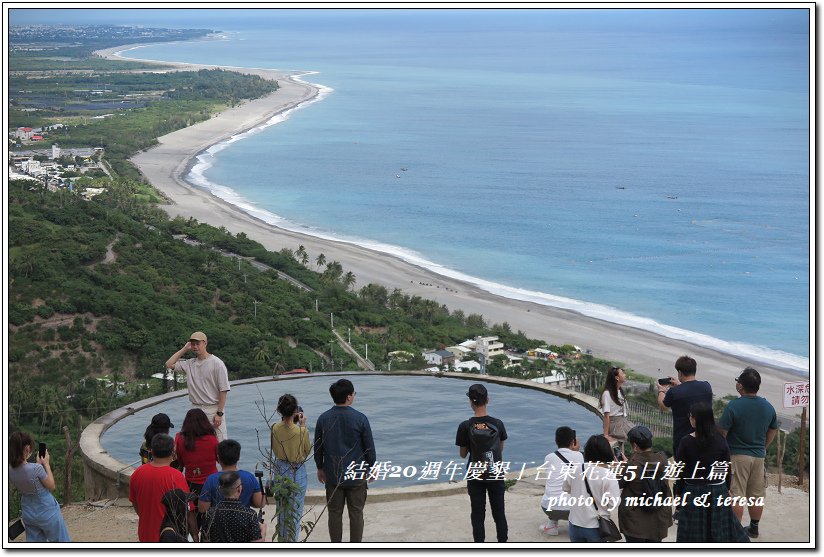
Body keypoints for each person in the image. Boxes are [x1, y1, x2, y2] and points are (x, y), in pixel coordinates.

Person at [718, 367, 780, 539]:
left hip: (737, 456)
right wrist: (764, 447)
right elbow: (773, 429)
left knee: (736, 494)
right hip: (759, 456)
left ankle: (734, 531)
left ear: (740, 386)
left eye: (738, 381)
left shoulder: (734, 406)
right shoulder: (768, 406)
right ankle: (753, 528)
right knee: (756, 495)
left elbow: (722, 432)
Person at [675, 402, 749, 543]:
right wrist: (726, 489)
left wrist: (679, 494)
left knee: (693, 533)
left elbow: (681, 472)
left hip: (692, 491)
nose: (689, 419)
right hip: (717, 490)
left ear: (695, 418)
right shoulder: (720, 440)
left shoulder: (686, 442)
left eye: (690, 416)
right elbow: (726, 468)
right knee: (718, 529)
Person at [314, 378, 376, 543]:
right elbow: (369, 448)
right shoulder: (360, 418)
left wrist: (320, 467)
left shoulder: (323, 419)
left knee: (334, 513)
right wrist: (372, 466)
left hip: (333, 475)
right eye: (353, 394)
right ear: (349, 396)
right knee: (356, 513)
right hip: (356, 476)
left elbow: (318, 447)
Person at [456, 383, 508, 543]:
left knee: (478, 514)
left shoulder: (465, 426)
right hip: (495, 473)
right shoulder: (498, 424)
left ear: (471, 402)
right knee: (499, 513)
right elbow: (500, 449)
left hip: (475, 475)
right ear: (488, 400)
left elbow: (463, 455)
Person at [166, 331, 230, 441]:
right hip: (195, 409)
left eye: (197, 343)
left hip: (212, 409)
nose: (195, 347)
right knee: (196, 443)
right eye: (193, 344)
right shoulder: (190, 363)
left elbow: (223, 390)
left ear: (205, 343)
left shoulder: (217, 364)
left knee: (220, 442)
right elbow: (169, 364)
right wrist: (185, 348)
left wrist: (219, 413)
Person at [8, 431, 71, 542]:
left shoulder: (10, 469)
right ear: (27, 448)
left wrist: (38, 464)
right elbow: (51, 486)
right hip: (46, 510)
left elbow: (29, 477)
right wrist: (46, 464)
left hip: (28, 512)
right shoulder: (36, 469)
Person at [129, 433, 191, 542]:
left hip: (145, 533)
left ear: (152, 451)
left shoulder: (137, 473)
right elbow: (186, 509)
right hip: (170, 536)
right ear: (173, 452)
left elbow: (135, 503)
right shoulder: (176, 476)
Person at [617, 425, 673, 542]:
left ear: (635, 446)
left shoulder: (632, 465)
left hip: (635, 523)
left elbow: (619, 483)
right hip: (658, 520)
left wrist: (622, 466)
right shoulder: (663, 460)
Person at [563, 434, 621, 543]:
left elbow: (566, 488)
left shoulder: (575, 469)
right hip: (596, 527)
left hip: (575, 524)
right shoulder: (608, 475)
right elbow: (613, 503)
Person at [270, 394, 311, 542]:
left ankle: (282, 542)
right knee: (294, 512)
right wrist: (303, 426)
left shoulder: (274, 427)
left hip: (280, 468)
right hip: (296, 469)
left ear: (279, 411)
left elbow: (274, 448)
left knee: (281, 510)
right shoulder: (302, 431)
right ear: (295, 411)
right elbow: (306, 452)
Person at [174, 408, 219, 541]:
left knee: (192, 518)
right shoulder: (212, 439)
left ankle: (194, 539)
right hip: (211, 484)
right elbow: (218, 458)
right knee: (210, 520)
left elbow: (180, 462)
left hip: (190, 485)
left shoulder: (180, 440)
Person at [657, 355, 713, 454]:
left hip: (682, 439)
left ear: (679, 372)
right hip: (705, 437)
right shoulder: (707, 387)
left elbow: (663, 406)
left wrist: (661, 390)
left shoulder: (674, 392)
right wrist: (681, 385)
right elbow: (692, 391)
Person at [199, 439, 264, 515]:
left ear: (218, 458)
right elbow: (259, 503)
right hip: (244, 522)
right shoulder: (249, 477)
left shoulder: (211, 479)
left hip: (218, 523)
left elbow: (203, 508)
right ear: (238, 457)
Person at [539, 426, 583, 536]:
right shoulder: (579, 456)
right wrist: (576, 451)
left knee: (554, 490)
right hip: (573, 510)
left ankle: (552, 525)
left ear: (555, 441)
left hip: (548, 507)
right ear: (573, 441)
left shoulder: (548, 457)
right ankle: (578, 527)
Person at [201, 471, 266, 542]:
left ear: (220, 489)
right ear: (239, 489)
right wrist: (263, 529)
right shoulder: (250, 515)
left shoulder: (210, 514)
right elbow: (257, 541)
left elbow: (204, 538)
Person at [601, 366, 634, 457]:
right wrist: (606, 434)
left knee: (621, 447)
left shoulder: (619, 391)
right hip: (614, 422)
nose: (625, 375)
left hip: (622, 420)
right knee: (634, 436)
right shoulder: (607, 394)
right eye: (622, 373)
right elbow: (606, 415)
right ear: (617, 378)